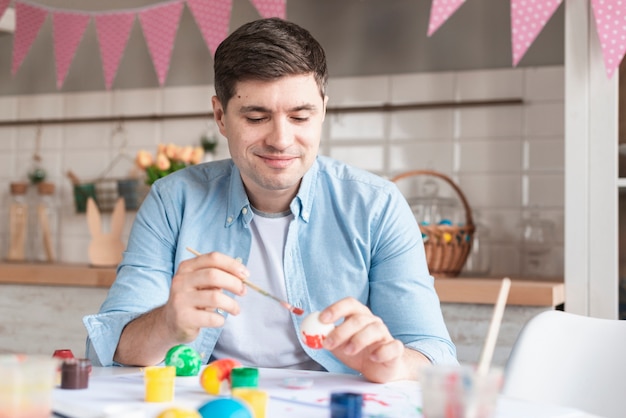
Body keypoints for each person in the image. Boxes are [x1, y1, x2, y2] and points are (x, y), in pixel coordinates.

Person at [83, 17, 457, 383]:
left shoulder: (377, 206)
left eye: (300, 116)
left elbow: (434, 354)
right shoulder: (173, 201)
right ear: (220, 116)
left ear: (322, 111)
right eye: (257, 117)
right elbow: (108, 347)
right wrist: (166, 323)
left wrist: (395, 363)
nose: (280, 139)